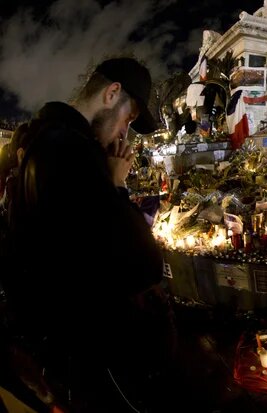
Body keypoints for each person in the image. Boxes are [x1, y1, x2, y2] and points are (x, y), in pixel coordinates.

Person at [5, 57, 176, 412]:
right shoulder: (73, 152)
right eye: (128, 119)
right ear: (112, 93)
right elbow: (143, 265)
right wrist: (116, 185)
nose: (124, 134)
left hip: (58, 345)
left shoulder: (43, 140)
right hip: (88, 351)